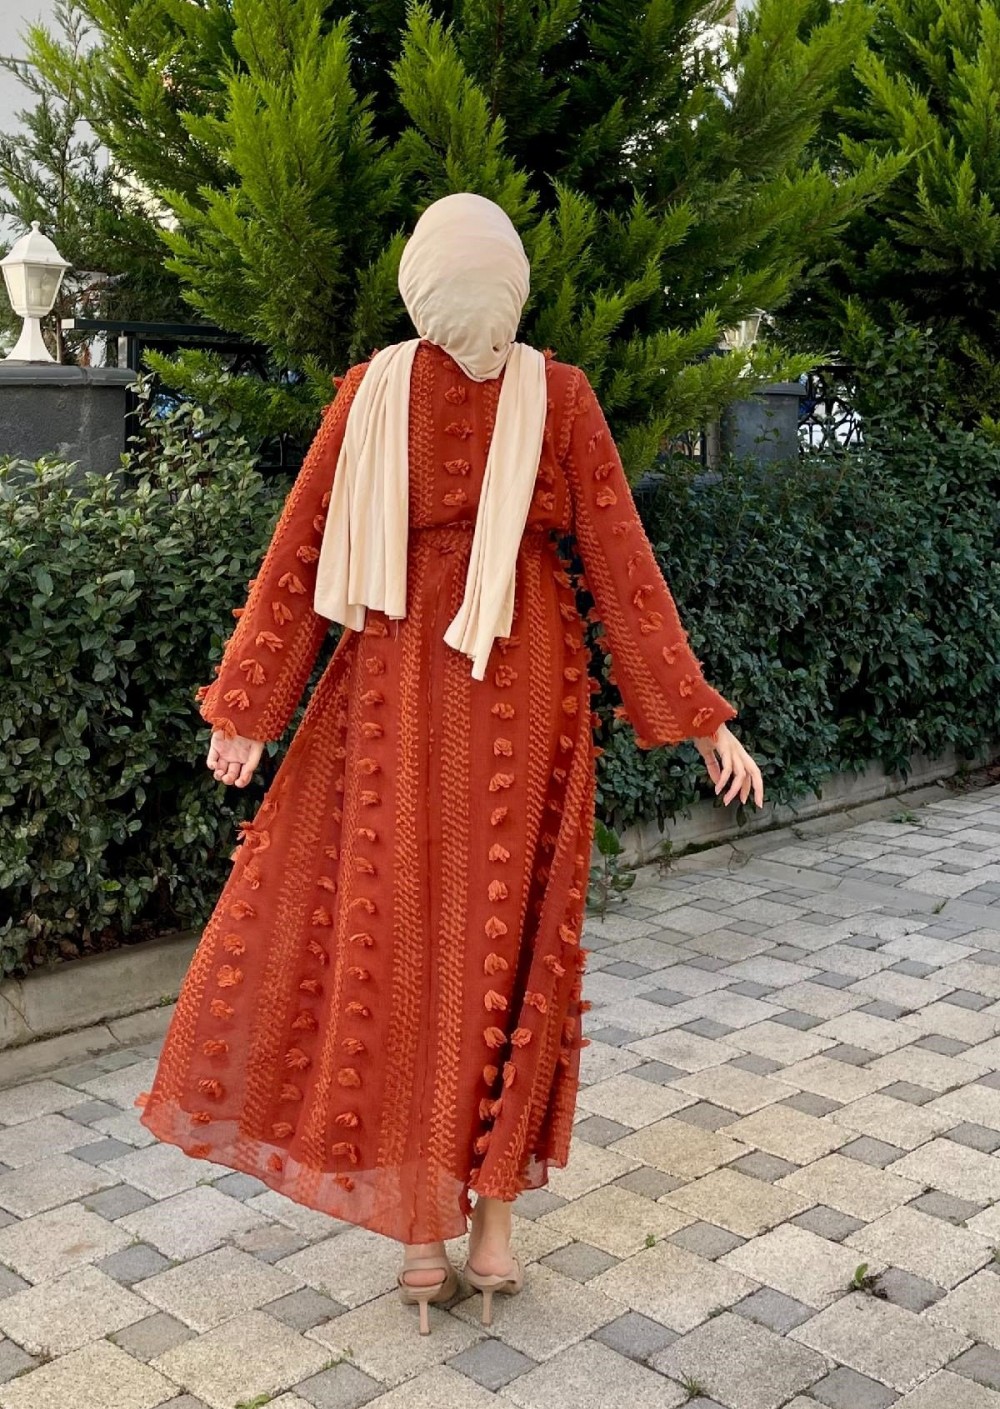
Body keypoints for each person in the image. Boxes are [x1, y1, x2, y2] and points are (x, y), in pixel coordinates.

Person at [136, 192, 764, 1338]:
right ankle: (493, 1236)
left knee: (396, 951)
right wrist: (700, 718)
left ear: (418, 284)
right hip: (530, 695)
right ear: (514, 283)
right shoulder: (559, 396)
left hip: (391, 694)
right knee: (514, 955)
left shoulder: (373, 393)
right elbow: (620, 565)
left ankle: (420, 1242)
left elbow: (300, 551)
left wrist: (247, 709)